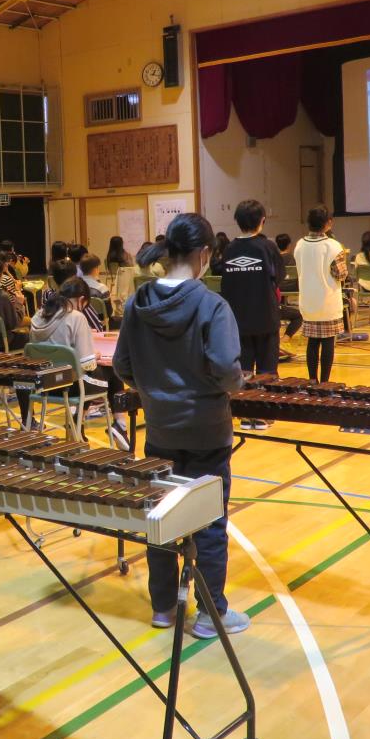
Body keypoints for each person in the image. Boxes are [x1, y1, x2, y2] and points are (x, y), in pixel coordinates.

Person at [113, 212, 248, 638]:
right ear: (204, 254)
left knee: (162, 518)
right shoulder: (212, 305)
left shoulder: (138, 302)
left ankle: (163, 608)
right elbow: (227, 368)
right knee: (209, 524)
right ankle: (211, 615)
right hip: (207, 431)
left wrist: (154, 390)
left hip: (160, 430)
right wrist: (235, 384)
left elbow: (122, 366)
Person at [28, 276, 128, 445]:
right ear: (81, 300)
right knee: (112, 370)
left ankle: (78, 424)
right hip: (70, 387)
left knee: (85, 377)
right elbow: (87, 364)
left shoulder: (39, 315)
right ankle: (120, 425)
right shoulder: (75, 317)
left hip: (43, 384)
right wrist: (95, 355)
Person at [219, 200, 281, 415]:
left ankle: (245, 413)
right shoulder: (268, 246)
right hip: (266, 317)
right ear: (262, 221)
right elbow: (279, 277)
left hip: (237, 322)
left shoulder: (229, 249)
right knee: (268, 370)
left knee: (243, 370)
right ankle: (266, 413)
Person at [294, 207, 347, 383]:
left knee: (312, 342)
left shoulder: (300, 244)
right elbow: (340, 274)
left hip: (308, 299)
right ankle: (324, 382)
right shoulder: (333, 246)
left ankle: (311, 379)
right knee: (327, 342)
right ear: (328, 223)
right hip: (328, 301)